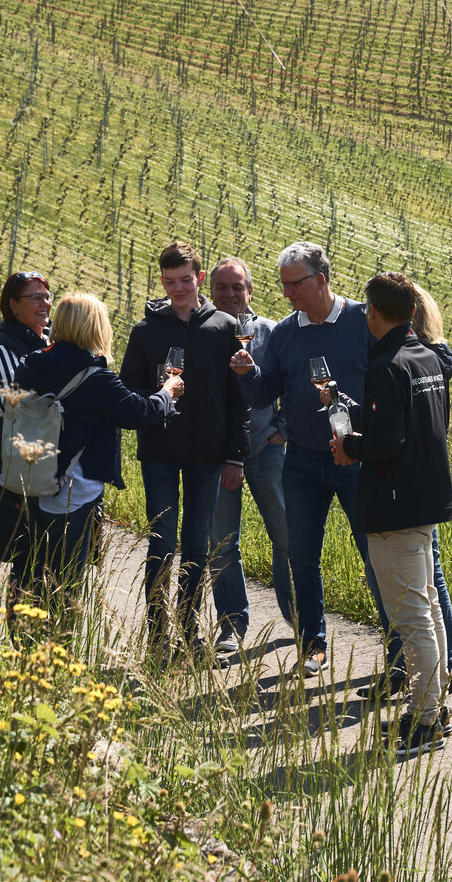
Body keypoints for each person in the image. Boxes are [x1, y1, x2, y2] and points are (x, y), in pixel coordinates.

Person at [232, 240, 394, 679]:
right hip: (302, 461)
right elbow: (265, 394)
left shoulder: (364, 320)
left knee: (376, 555)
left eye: (294, 284)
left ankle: (399, 651)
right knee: (301, 556)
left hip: (357, 458)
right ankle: (313, 645)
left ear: (320, 280)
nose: (287, 293)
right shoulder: (285, 333)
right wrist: (248, 375)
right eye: (283, 285)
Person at [331, 272, 452, 758]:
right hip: (426, 499)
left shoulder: (386, 367)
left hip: (393, 505)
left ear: (374, 313)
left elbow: (387, 443)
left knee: (411, 618)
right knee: (428, 606)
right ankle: (433, 707)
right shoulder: (427, 358)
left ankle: (424, 723)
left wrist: (348, 446)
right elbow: (417, 426)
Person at [12, 292, 182, 614]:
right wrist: (167, 392)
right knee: (65, 583)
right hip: (73, 491)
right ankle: (59, 639)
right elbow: (138, 413)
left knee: (36, 571)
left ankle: (27, 633)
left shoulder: (32, 364)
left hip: (34, 479)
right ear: (94, 327)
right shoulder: (93, 377)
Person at [120, 240, 248, 658]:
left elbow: (237, 398)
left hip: (208, 455)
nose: (178, 288)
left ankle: (189, 632)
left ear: (199, 279)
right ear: (162, 282)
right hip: (159, 450)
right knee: (161, 545)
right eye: (170, 281)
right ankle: (158, 638)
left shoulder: (224, 327)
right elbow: (129, 389)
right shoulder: (145, 331)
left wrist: (235, 454)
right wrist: (158, 395)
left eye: (185, 280)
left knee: (195, 547)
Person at [206, 256, 294, 656]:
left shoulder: (270, 333)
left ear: (250, 290)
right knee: (222, 543)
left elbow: (295, 385)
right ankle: (231, 626)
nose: (229, 294)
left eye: (237, 287)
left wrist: (281, 431)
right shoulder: (202, 332)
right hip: (216, 456)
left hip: (265, 451)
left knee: (289, 538)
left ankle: (302, 620)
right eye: (221, 288)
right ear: (210, 291)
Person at [0, 271, 52, 611]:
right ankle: (21, 635)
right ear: (13, 305)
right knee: (27, 561)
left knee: (55, 561)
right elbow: (18, 411)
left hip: (50, 472)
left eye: (47, 296)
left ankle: (53, 634)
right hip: (16, 476)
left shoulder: (53, 343)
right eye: (35, 297)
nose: (44, 303)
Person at [405, 279, 452, 694]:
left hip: (411, 477)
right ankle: (443, 666)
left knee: (425, 580)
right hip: (432, 476)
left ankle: (432, 672)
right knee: (431, 573)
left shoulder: (413, 361)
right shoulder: (438, 356)